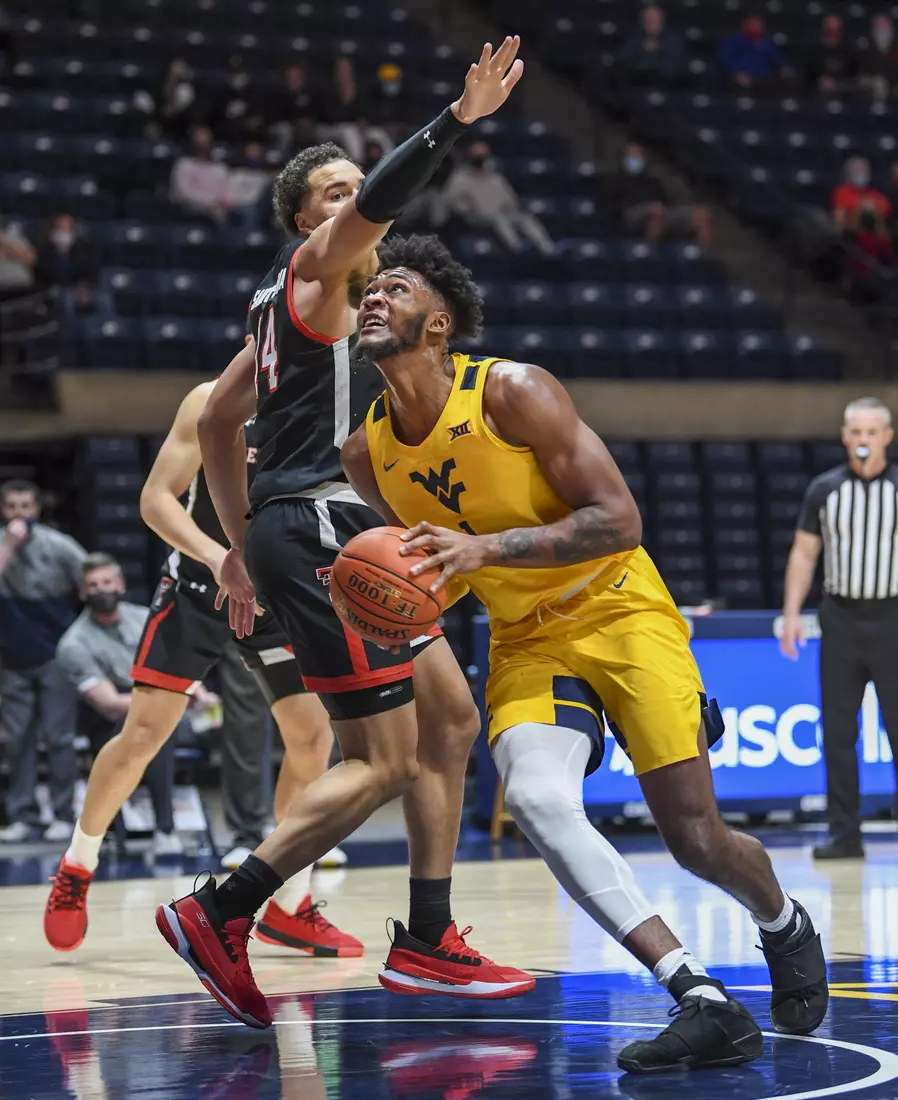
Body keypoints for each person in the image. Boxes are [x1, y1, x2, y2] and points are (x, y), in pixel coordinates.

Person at [340, 233, 829, 1072]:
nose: (374, 297)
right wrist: (391, 606)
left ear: (438, 321)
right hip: (528, 641)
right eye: (368, 290)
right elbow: (433, 574)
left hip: (620, 607)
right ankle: (697, 994)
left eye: (397, 286)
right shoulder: (365, 452)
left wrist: (485, 553)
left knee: (697, 839)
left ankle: (783, 921)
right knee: (534, 797)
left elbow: (620, 519)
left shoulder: (513, 392)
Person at [156, 36, 531, 1030]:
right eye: (332, 192)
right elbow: (217, 427)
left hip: (313, 522)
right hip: (323, 524)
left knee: (449, 720)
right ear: (301, 221)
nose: (354, 201)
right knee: (381, 759)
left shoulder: (286, 313)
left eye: (355, 190)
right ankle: (218, 908)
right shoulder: (317, 271)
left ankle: (427, 938)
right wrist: (456, 120)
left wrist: (240, 545)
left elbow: (216, 421)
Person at [43, 384, 361, 959]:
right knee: (142, 736)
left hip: (273, 594)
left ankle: (290, 904)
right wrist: (220, 559)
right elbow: (156, 500)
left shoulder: (328, 403)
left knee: (312, 739)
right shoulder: (213, 399)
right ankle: (78, 863)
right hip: (198, 584)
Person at [781, 397, 898, 861]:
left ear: (887, 436)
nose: (864, 439)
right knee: (838, 731)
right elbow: (804, 553)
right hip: (842, 620)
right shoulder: (824, 490)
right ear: (845, 436)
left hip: (893, 619)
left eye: (873, 431)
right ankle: (845, 835)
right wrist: (791, 612)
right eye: (856, 431)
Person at [55, 553, 182, 857]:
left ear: (121, 584)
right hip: (109, 718)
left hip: (161, 700)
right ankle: (163, 830)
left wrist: (197, 693)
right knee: (149, 731)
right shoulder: (73, 643)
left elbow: (177, 666)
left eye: (107, 582)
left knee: (159, 728)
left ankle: (170, 831)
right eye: (93, 585)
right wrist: (170, 700)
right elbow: (109, 704)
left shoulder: (146, 618)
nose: (101, 589)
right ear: (83, 593)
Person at [0, 480, 84, 842]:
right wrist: (9, 545)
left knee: (60, 739)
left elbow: (92, 583)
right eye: (12, 507)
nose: (19, 513)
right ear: (4, 511)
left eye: (25, 506)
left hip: (57, 656)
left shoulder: (60, 546)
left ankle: (63, 814)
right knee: (16, 739)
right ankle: (23, 815)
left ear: (36, 510)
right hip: (12, 658)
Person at [443, 140, 554, 255]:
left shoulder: (495, 178)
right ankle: (517, 247)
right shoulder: (460, 178)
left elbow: (510, 199)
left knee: (525, 218)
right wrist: (467, 208)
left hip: (502, 213)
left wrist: (508, 207)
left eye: (483, 154)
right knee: (499, 219)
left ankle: (546, 247)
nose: (480, 158)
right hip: (476, 218)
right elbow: (451, 201)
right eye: (477, 155)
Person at [606, 143, 711, 247]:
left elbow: (666, 202)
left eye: (638, 156)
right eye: (632, 156)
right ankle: (650, 253)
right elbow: (611, 204)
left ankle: (700, 255)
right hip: (630, 215)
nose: (635, 159)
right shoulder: (616, 180)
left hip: (659, 212)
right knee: (656, 211)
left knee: (701, 213)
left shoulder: (651, 181)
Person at [170, 126, 230, 221]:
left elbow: (226, 191)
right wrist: (211, 202)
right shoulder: (183, 165)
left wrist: (222, 202)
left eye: (206, 141)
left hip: (217, 210)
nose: (203, 145)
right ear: (192, 143)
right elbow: (183, 193)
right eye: (199, 141)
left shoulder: (220, 168)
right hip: (191, 209)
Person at [616, 5, 686, 86]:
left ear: (661, 20)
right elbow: (624, 59)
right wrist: (642, 49)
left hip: (667, 84)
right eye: (648, 19)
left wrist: (658, 50)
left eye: (655, 19)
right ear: (642, 21)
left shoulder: (673, 40)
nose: (652, 22)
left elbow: (677, 64)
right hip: (637, 82)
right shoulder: (633, 38)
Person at [718, 16, 791, 89]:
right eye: (753, 24)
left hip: (762, 79)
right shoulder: (733, 40)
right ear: (744, 25)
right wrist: (735, 73)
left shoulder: (766, 43)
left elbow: (776, 59)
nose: (756, 27)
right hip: (738, 76)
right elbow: (724, 59)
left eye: (758, 25)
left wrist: (784, 68)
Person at [831, 157, 892, 232]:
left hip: (873, 234)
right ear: (849, 173)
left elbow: (887, 208)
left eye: (864, 170)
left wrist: (874, 207)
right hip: (851, 233)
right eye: (858, 170)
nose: (861, 173)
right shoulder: (841, 192)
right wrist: (859, 207)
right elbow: (839, 216)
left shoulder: (873, 192)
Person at [805, 15, 859, 95]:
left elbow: (853, 68)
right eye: (829, 24)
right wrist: (820, 79)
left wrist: (840, 82)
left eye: (834, 24)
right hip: (820, 84)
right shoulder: (816, 47)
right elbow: (810, 69)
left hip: (843, 83)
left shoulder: (848, 46)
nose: (832, 26)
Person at [858, 14, 898, 101]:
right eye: (879, 25)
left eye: (884, 25)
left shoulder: (895, 47)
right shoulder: (866, 49)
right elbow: (862, 73)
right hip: (874, 87)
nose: (882, 28)